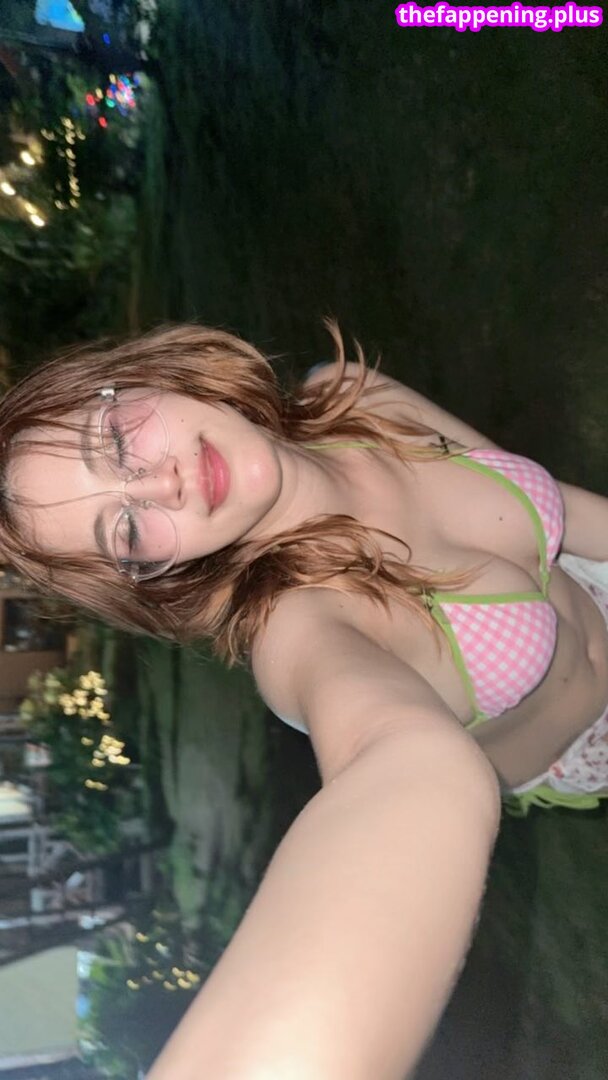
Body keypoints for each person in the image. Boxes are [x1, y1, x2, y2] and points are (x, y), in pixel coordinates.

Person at [1, 320, 607, 1078]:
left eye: (117, 442)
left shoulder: (352, 397)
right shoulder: (301, 631)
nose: (162, 485)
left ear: (144, 377)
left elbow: (568, 515)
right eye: (126, 530)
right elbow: (401, 764)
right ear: (152, 574)